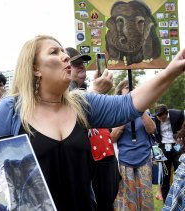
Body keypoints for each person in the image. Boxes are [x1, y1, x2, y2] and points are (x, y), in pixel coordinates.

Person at [0, 35, 185, 210]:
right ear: (35, 68)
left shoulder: (82, 104)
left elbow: (128, 104)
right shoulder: (11, 110)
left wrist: (171, 71)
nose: (65, 56)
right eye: (55, 52)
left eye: (64, 51)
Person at [66, 47, 119, 211]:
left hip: (105, 157)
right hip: (90, 164)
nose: (81, 66)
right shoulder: (65, 91)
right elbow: (73, 115)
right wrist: (96, 92)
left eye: (82, 62)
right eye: (75, 64)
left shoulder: (84, 90)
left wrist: (97, 92)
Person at [111, 80, 156, 210]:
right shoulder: (115, 112)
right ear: (120, 93)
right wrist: (126, 113)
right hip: (124, 160)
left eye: (133, 87)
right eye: (126, 87)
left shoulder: (144, 110)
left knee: (146, 198)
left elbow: (152, 130)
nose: (130, 89)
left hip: (144, 158)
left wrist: (139, 109)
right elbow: (112, 138)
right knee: (128, 199)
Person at [153, 104, 184, 201]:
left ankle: (181, 198)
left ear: (167, 113)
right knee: (164, 175)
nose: (160, 119)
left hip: (176, 146)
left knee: (180, 172)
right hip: (162, 147)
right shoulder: (154, 119)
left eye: (162, 117)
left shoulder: (177, 114)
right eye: (158, 117)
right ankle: (166, 201)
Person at [163, 121, 185, 210]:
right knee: (166, 176)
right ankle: (164, 197)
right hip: (168, 151)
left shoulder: (176, 115)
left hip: (178, 158)